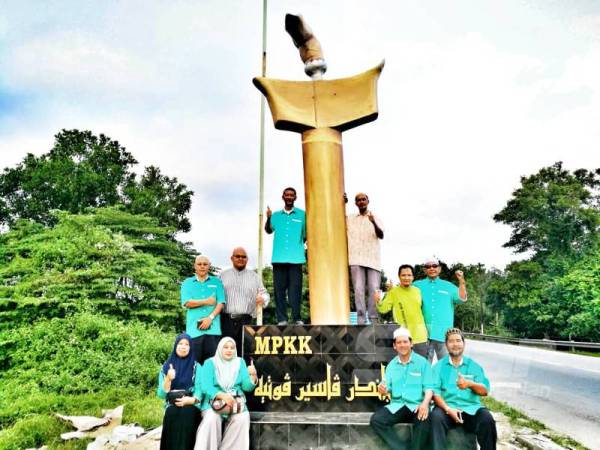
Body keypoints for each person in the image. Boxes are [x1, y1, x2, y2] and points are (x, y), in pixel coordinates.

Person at [430, 328, 497, 450]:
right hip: (447, 409)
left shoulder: (474, 366)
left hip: (470, 409)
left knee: (487, 419)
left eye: (458, 341)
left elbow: (484, 391)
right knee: (435, 418)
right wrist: (448, 409)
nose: (455, 344)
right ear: (446, 345)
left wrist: (470, 384)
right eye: (451, 341)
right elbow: (436, 393)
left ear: (464, 344)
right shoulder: (438, 367)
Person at [370, 327, 433, 450]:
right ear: (394, 346)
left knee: (424, 421)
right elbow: (386, 387)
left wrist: (425, 404)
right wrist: (382, 390)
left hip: (417, 405)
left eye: (405, 342)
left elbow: (429, 388)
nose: (402, 345)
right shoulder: (392, 365)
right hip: (398, 406)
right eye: (399, 342)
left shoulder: (423, 363)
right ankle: (402, 448)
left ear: (411, 343)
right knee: (376, 420)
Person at [195, 337, 258, 450]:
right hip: (213, 402)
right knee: (211, 419)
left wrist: (253, 376)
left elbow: (246, 387)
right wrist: (222, 395)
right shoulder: (210, 363)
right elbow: (205, 386)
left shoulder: (240, 362)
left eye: (232, 348)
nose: (229, 350)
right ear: (220, 348)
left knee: (242, 418)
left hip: (235, 403)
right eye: (226, 347)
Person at [265, 187, 306, 325]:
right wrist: (268, 218)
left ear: (295, 197)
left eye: (291, 195)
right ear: (283, 197)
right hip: (278, 259)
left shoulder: (302, 215)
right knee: (279, 291)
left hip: (296, 259)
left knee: (295, 290)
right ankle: (282, 319)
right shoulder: (276, 215)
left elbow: (306, 235)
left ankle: (297, 318)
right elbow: (268, 230)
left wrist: (298, 246)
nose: (289, 197)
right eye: (287, 195)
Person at [413, 257, 467, 362]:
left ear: (439, 269)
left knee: (446, 365)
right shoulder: (416, 286)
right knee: (423, 366)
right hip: (423, 334)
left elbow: (462, 299)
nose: (431, 268)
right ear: (424, 270)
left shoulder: (449, 286)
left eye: (434, 266)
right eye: (428, 266)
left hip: (444, 334)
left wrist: (461, 281)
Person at [220, 246, 270, 358]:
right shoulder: (222, 276)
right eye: (237, 256)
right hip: (226, 321)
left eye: (244, 257)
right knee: (226, 354)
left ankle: (245, 375)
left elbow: (265, 294)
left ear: (247, 259)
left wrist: (263, 299)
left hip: (246, 321)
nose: (240, 259)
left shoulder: (255, 277)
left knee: (245, 354)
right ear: (232, 258)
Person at [157, 333, 203, 450]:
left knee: (187, 414)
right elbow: (161, 395)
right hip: (172, 404)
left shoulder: (196, 366)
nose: (183, 347)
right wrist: (168, 379)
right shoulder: (166, 367)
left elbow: (199, 389)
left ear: (191, 348)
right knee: (171, 413)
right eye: (180, 344)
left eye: (187, 344)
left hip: (190, 403)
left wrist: (191, 400)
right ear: (175, 346)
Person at [375, 265, 429, 358]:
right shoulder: (393, 292)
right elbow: (383, 309)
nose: (406, 278)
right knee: (403, 368)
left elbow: (425, 311)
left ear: (413, 277)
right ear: (399, 276)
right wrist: (378, 300)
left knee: (420, 367)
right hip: (402, 336)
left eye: (409, 275)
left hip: (420, 336)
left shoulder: (418, 291)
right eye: (403, 275)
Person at [347, 192, 384, 324]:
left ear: (368, 201)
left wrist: (373, 222)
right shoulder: (350, 218)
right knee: (358, 290)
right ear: (356, 203)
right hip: (356, 258)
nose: (361, 202)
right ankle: (361, 320)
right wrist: (343, 203)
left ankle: (373, 319)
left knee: (374, 289)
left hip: (373, 259)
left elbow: (381, 235)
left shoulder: (375, 217)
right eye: (358, 200)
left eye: (364, 199)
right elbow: (337, 217)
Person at [181, 255, 226, 364]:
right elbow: (187, 303)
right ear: (194, 266)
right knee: (194, 365)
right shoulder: (187, 283)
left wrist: (210, 318)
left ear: (209, 266)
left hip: (213, 330)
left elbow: (221, 303)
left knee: (213, 365)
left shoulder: (217, 282)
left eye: (205, 264)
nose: (202, 267)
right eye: (199, 264)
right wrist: (207, 301)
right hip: (193, 332)